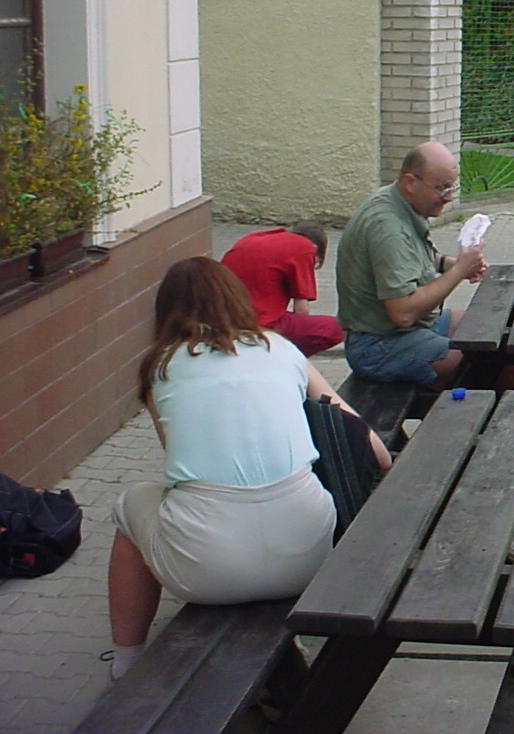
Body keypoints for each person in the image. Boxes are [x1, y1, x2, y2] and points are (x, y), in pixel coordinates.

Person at [106, 257, 387, 679]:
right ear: (239, 299)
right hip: (310, 556)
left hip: (207, 573)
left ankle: (126, 663)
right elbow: (374, 449)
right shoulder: (281, 349)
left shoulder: (160, 366)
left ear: (166, 310)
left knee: (130, 505)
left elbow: (178, 464)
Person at [336, 142, 514, 390]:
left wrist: (449, 264)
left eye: (452, 187)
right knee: (494, 362)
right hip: (379, 346)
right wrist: (459, 271)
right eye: (441, 188)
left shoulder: (399, 202)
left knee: (496, 330)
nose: (449, 197)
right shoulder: (387, 228)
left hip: (408, 329)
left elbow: (412, 256)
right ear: (410, 183)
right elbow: (403, 313)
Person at [220, 221, 343, 357]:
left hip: (224, 318)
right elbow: (301, 310)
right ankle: (291, 360)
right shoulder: (305, 248)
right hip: (259, 322)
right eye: (315, 263)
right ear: (315, 249)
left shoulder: (254, 238)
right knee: (340, 327)